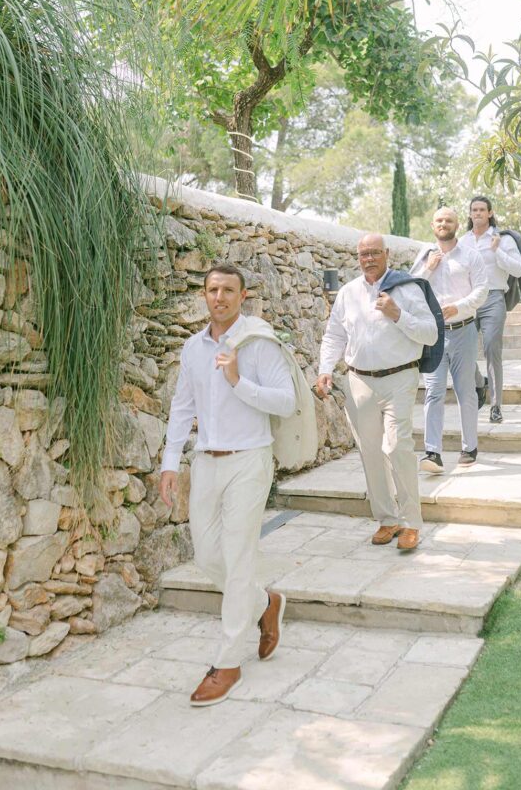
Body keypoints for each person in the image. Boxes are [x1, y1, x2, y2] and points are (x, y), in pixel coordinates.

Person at [159, 263, 295, 707]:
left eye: (228, 290)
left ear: (243, 296)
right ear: (204, 295)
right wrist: (169, 463)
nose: (220, 297)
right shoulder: (192, 348)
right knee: (205, 555)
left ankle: (228, 662)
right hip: (206, 462)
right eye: (213, 289)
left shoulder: (258, 343)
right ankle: (264, 603)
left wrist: (239, 380)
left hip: (250, 460)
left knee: (237, 558)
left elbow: (287, 401)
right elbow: (182, 408)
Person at [316, 233, 438, 552]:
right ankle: (387, 519)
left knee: (398, 446)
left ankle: (411, 523)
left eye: (374, 252)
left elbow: (431, 333)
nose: (368, 258)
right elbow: (334, 336)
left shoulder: (408, 289)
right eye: (363, 254)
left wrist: (398, 314)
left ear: (386, 254)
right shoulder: (348, 293)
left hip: (400, 377)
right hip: (360, 381)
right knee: (370, 451)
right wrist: (325, 369)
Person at [411, 207, 488, 473]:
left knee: (465, 390)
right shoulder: (423, 256)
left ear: (457, 224)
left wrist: (459, 306)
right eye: (440, 220)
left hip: (464, 331)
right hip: (433, 335)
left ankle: (470, 448)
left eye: (449, 220)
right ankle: (432, 452)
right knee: (433, 392)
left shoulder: (471, 255)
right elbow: (410, 291)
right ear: (433, 225)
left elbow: (482, 291)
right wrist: (428, 270)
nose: (444, 224)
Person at [459, 196, 521, 424]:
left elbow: (518, 269)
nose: (477, 213)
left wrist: (497, 251)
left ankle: (495, 405)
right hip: (467, 301)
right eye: (474, 209)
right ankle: (480, 383)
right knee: (461, 350)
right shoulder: (462, 241)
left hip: (493, 298)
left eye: (481, 209)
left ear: (489, 213)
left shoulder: (502, 239)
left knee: (491, 349)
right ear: (469, 214)